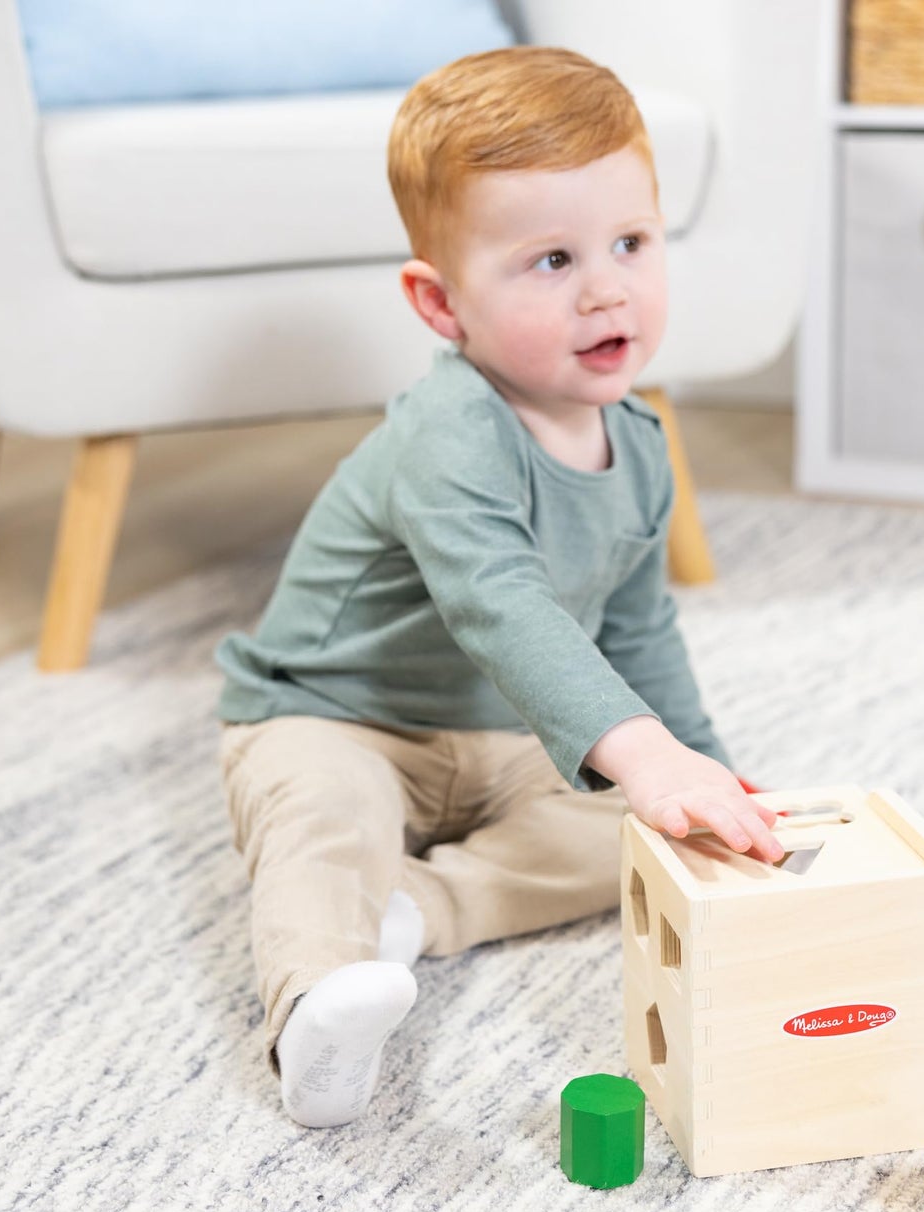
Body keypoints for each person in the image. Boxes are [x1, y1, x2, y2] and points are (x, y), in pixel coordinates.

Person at [213, 46, 783, 1129]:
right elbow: (499, 604)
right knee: (322, 818)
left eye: (629, 242)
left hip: (508, 735)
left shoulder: (642, 445)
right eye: (550, 260)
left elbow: (635, 623)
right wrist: (646, 752)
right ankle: (314, 1010)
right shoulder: (449, 428)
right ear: (440, 303)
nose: (607, 284)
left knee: (631, 838)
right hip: (337, 716)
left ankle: (414, 911)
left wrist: (699, 766)